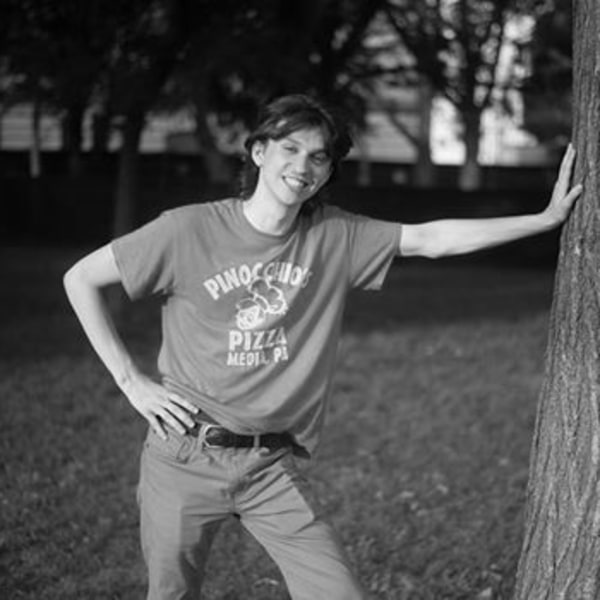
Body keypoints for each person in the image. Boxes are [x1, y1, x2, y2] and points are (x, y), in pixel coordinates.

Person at [63, 94, 582, 600]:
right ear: (259, 152)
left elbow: (431, 239)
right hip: (184, 452)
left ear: (328, 172)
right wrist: (132, 383)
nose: (303, 165)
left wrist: (543, 219)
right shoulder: (187, 229)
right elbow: (80, 278)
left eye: (318, 156)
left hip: (268, 464)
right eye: (289, 148)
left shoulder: (335, 235)